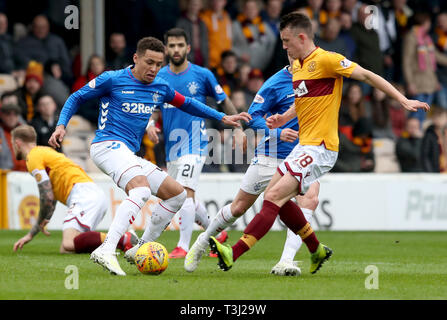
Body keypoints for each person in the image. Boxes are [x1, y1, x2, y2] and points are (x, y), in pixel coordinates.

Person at [208, 12, 429, 274]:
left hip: (321, 147)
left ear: (302, 37)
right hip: (304, 146)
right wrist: (284, 117)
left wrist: (403, 100)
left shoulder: (327, 60)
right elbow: (303, 102)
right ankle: (317, 250)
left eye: (287, 40)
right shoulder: (299, 66)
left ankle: (233, 253)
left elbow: (368, 76)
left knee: (275, 197)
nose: (284, 47)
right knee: (274, 198)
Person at [48, 36, 251, 276]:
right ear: (136, 58)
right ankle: (107, 249)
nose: (154, 69)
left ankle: (140, 248)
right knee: (141, 190)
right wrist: (61, 125)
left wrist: (221, 117)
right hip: (106, 146)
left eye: (158, 63)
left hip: (128, 154)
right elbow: (76, 97)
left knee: (176, 195)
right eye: (149, 62)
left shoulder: (160, 87)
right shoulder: (112, 79)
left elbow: (187, 103)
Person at [185, 54, 320, 276]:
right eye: (289, 48)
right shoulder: (276, 83)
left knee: (310, 199)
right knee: (238, 207)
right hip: (272, 155)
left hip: (305, 153)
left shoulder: (317, 77)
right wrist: (276, 132)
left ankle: (286, 261)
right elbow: (252, 117)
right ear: (287, 51)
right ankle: (201, 242)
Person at [145, 28, 243, 259]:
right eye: (172, 45)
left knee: (185, 194)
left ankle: (184, 246)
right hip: (172, 147)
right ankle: (216, 236)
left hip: (196, 143)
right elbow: (155, 109)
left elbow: (223, 100)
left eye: (180, 45)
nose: (176, 49)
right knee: (181, 197)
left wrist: (238, 128)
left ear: (188, 48)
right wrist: (150, 124)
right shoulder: (160, 78)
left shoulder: (203, 75)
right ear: (166, 48)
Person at [11, 124, 137, 254]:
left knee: (68, 242)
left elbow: (46, 195)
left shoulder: (32, 157)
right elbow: (52, 194)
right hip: (91, 193)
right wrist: (42, 223)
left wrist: (36, 227)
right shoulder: (45, 152)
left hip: (83, 195)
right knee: (66, 250)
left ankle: (123, 239)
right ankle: (112, 248)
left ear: (17, 143)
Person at [0, 104, 26, 171]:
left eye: (15, 114)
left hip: (26, 173)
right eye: (8, 114)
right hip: (6, 173)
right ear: (2, 116)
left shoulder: (26, 132)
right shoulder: (1, 132)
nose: (12, 117)